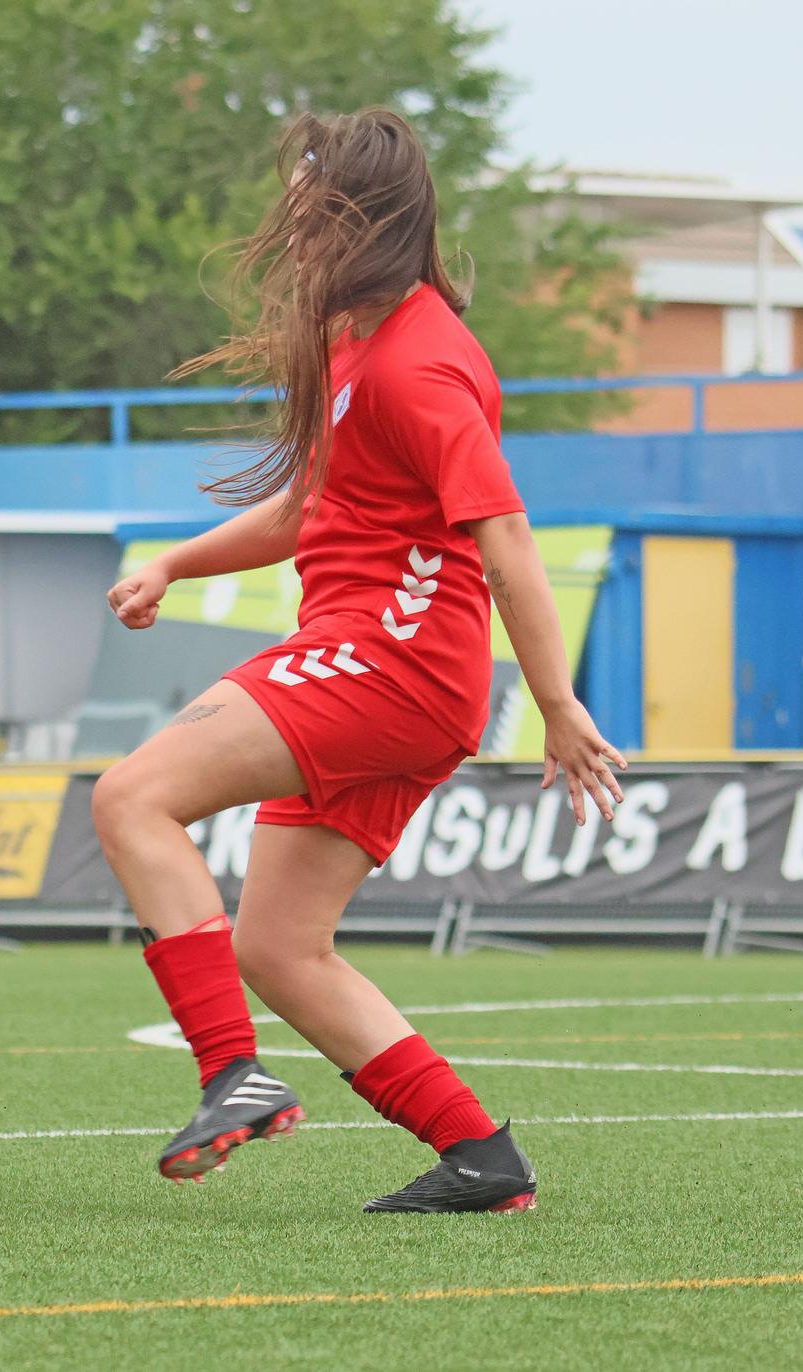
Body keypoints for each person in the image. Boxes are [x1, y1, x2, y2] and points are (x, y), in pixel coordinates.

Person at [93, 109, 626, 1213]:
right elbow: (308, 506)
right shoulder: (360, 344)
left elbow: (507, 536)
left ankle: (231, 1073)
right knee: (280, 944)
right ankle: (478, 1155)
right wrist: (177, 565)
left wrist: (557, 703)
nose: (289, 242)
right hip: (378, 668)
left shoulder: (421, 365)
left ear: (363, 224)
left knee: (132, 797)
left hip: (388, 665)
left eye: (306, 221)